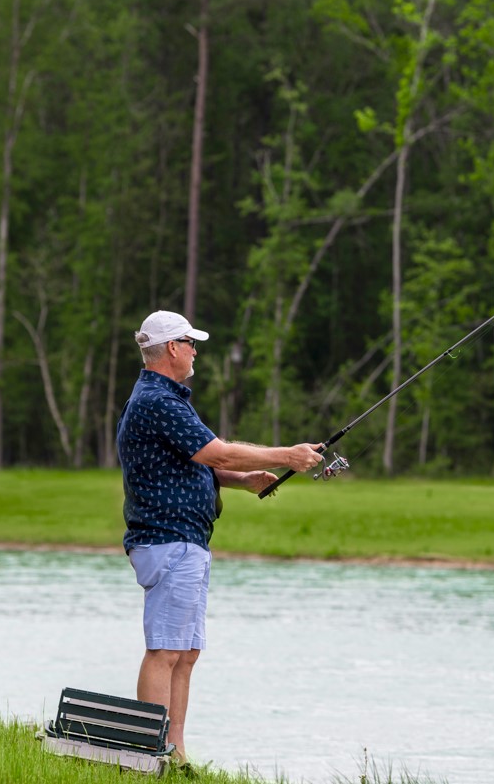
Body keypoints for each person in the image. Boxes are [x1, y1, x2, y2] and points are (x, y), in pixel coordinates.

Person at [116, 309, 323, 761]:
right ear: (173, 348)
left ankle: (175, 752)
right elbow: (219, 452)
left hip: (186, 540)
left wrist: (242, 480)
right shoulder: (157, 401)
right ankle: (149, 752)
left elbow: (194, 462)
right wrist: (288, 455)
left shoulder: (166, 399)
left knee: (186, 653)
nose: (195, 353)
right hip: (169, 539)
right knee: (164, 651)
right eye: (191, 344)